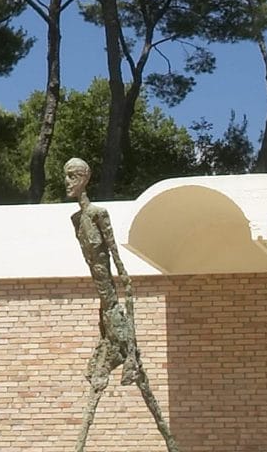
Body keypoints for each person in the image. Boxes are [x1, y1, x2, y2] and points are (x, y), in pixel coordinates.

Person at [65, 155, 181, 452]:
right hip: (105, 309)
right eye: (66, 176)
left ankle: (170, 442)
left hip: (115, 308)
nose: (68, 182)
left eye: (73, 176)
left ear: (84, 178)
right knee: (99, 378)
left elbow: (122, 273)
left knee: (136, 379)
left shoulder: (97, 214)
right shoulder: (76, 220)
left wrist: (129, 325)